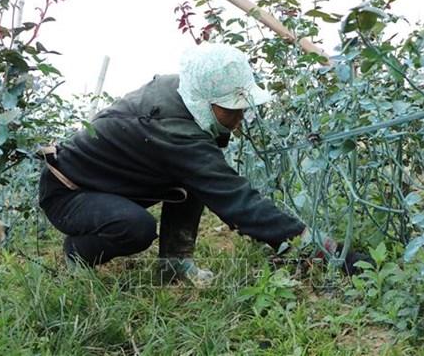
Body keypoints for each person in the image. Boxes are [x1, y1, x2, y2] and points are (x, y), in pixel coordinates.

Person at [37, 43, 365, 286]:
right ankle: (78, 252)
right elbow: (239, 204)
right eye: (231, 109)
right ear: (205, 100)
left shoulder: (187, 93)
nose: (239, 118)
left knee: (195, 178)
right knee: (136, 228)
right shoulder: (174, 130)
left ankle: (174, 264)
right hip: (70, 193)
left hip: (113, 185)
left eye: (242, 107)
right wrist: (329, 252)